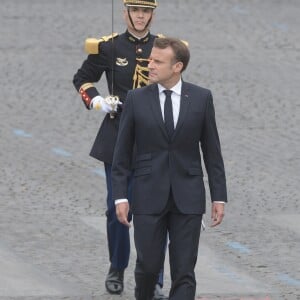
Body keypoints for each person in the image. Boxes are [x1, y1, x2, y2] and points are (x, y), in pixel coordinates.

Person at [111, 37, 227, 300]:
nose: (149, 65)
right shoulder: (136, 99)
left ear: (177, 67)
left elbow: (212, 151)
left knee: (185, 271)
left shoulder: (200, 98)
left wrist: (219, 196)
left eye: (157, 61)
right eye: (151, 59)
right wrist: (120, 196)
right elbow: (121, 154)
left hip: (188, 197)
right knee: (148, 267)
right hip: (148, 196)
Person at [72, 0, 167, 298]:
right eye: (135, 11)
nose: (140, 17)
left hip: (154, 139)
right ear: (124, 12)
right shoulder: (109, 47)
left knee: (154, 211)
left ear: (152, 14)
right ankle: (117, 266)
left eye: (146, 11)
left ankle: (152, 278)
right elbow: (82, 79)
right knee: (118, 209)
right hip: (118, 136)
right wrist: (98, 100)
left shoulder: (165, 48)